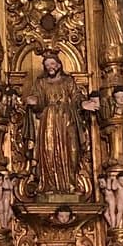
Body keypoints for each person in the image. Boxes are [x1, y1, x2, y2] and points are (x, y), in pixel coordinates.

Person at [24, 52, 99, 195]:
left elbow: (76, 96)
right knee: (49, 151)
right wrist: (34, 101)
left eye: (52, 64)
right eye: (47, 65)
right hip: (49, 120)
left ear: (59, 64)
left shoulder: (68, 81)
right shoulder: (41, 82)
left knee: (71, 151)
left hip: (66, 119)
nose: (50, 67)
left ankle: (70, 184)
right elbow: (38, 98)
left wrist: (83, 103)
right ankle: (49, 185)